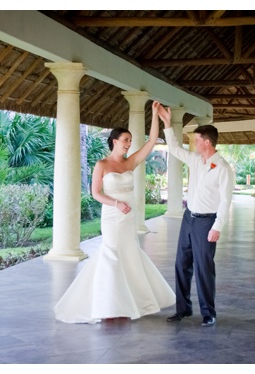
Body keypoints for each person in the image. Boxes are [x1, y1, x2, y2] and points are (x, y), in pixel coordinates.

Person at [54, 101, 175, 323]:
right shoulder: (102, 164)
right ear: (114, 141)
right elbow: (95, 193)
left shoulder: (131, 163)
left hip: (129, 217)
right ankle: (108, 305)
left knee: (129, 253)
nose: (129, 143)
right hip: (111, 216)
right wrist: (116, 204)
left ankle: (130, 301)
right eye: (126, 140)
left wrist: (155, 114)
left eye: (130, 140)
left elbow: (151, 141)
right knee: (111, 254)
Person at [160, 111, 234, 327]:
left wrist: (217, 226)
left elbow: (225, 200)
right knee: (181, 264)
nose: (194, 143)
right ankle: (183, 309)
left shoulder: (223, 168)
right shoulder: (194, 160)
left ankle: (208, 313)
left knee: (204, 268)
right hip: (188, 218)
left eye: (197, 140)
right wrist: (166, 122)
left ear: (207, 142)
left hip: (206, 222)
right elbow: (173, 148)